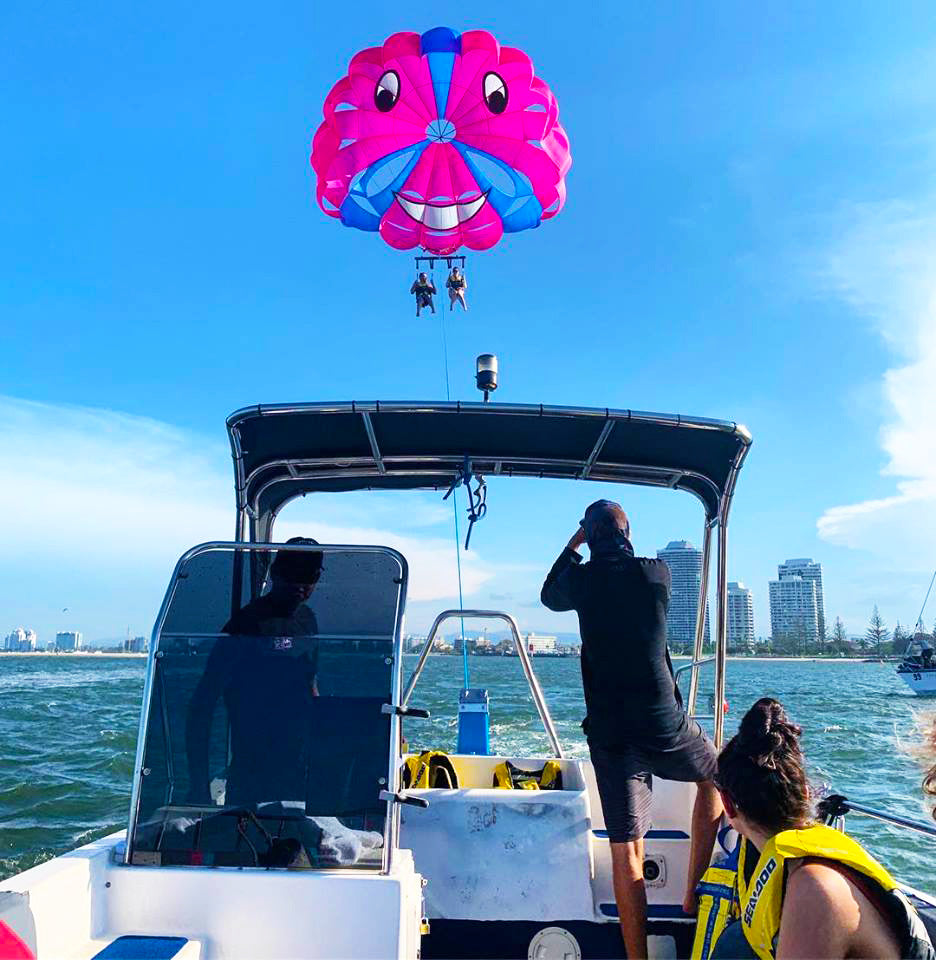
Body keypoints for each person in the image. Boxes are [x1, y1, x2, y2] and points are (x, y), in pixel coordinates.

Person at [541, 500, 722, 959]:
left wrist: (574, 544)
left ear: (588, 535)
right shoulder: (656, 574)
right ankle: (692, 892)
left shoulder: (581, 581)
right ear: (629, 533)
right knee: (715, 777)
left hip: (611, 731)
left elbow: (548, 595)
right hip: (663, 722)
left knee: (627, 849)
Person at [705, 697, 935, 960]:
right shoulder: (784, 863)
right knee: (735, 941)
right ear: (805, 793)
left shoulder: (814, 889)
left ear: (727, 805)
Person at [186, 537, 323, 806]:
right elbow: (202, 706)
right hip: (252, 768)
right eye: (292, 573)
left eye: (308, 575)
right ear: (275, 572)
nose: (300, 584)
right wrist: (198, 785)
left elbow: (311, 683)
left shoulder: (308, 620)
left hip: (300, 765)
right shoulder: (244, 625)